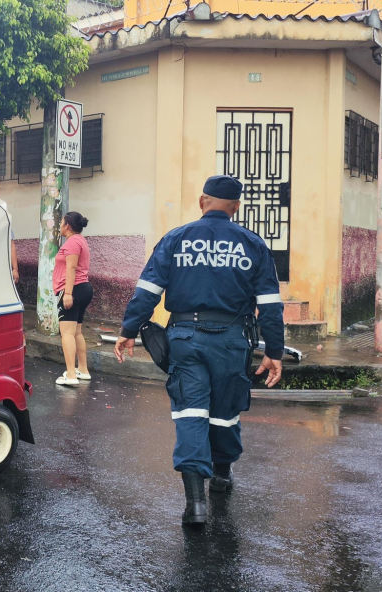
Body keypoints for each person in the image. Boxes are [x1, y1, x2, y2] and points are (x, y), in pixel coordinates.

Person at [113, 175, 284, 527]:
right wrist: (275, 351)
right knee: (225, 413)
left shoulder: (175, 239)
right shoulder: (252, 244)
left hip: (185, 338)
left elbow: (147, 291)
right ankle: (221, 476)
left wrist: (129, 331)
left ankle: (195, 505)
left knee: (190, 413)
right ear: (236, 207)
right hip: (233, 341)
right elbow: (269, 304)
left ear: (202, 201)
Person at [53, 212, 93, 386]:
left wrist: (68, 294)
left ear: (67, 225)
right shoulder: (80, 240)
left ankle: (70, 374)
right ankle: (82, 370)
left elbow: (71, 268)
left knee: (67, 333)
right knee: (76, 332)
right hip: (82, 289)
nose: (60, 225)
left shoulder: (72, 242)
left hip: (73, 290)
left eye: (61, 222)